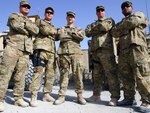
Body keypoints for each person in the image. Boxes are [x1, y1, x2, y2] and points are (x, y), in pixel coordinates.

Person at [0, 0, 39, 111]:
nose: (26, 7)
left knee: (21, 76)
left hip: (25, 51)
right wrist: (28, 29)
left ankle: (18, 98)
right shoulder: (14, 15)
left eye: (28, 6)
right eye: (24, 6)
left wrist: (26, 25)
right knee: (5, 73)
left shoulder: (30, 21)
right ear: (20, 7)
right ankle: (0, 100)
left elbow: (36, 31)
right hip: (12, 48)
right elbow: (16, 25)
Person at [111, 1, 150, 112]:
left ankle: (147, 101)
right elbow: (113, 32)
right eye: (123, 7)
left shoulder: (139, 14)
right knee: (126, 77)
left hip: (137, 49)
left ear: (131, 8)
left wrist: (121, 27)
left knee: (141, 75)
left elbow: (133, 21)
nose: (125, 8)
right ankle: (129, 98)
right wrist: (123, 26)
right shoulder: (122, 22)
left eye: (128, 6)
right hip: (124, 52)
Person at [85, 5, 120, 106]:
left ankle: (114, 97)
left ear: (104, 12)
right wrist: (98, 28)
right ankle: (96, 95)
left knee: (111, 74)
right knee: (96, 75)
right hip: (95, 51)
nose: (100, 12)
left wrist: (95, 29)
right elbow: (87, 32)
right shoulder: (93, 23)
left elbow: (105, 27)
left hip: (106, 51)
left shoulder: (109, 20)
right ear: (96, 13)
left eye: (102, 10)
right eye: (98, 11)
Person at [53, 11, 86, 105]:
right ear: (66, 18)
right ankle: (61, 96)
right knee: (64, 75)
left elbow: (81, 37)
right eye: (69, 16)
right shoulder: (61, 28)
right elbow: (60, 36)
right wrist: (73, 35)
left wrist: (68, 34)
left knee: (78, 75)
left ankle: (80, 95)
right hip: (64, 54)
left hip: (76, 53)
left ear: (74, 19)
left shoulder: (79, 28)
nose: (70, 18)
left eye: (72, 17)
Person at [29, 7, 57, 107]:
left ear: (53, 15)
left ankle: (46, 94)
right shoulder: (39, 21)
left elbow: (56, 36)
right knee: (38, 73)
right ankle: (33, 95)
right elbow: (43, 31)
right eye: (47, 12)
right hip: (40, 49)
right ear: (45, 13)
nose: (49, 14)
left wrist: (50, 32)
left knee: (50, 74)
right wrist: (51, 32)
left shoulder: (53, 26)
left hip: (51, 51)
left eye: (51, 13)